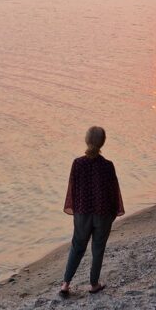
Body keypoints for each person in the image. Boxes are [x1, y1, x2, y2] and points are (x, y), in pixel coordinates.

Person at [60, 126, 124, 297]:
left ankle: (65, 284)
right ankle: (94, 284)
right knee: (98, 248)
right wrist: (113, 214)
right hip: (102, 213)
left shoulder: (78, 163)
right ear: (103, 142)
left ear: (86, 140)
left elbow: (72, 189)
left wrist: (76, 209)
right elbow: (113, 192)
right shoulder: (108, 166)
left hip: (83, 212)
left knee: (77, 246)